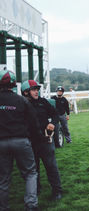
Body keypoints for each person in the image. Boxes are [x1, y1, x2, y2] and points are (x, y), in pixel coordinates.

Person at [0, 70, 41, 211]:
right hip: (21, 141)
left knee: (3, 178)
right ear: (13, 83)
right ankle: (31, 205)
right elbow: (33, 122)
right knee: (30, 173)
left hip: (1, 144)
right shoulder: (21, 100)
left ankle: (3, 207)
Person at [21, 80, 63, 200]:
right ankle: (36, 190)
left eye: (37, 89)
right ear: (25, 92)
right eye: (33, 89)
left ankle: (57, 191)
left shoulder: (43, 102)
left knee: (51, 167)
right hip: (30, 142)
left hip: (45, 141)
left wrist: (53, 124)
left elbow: (55, 114)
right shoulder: (21, 104)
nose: (36, 91)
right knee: (33, 170)